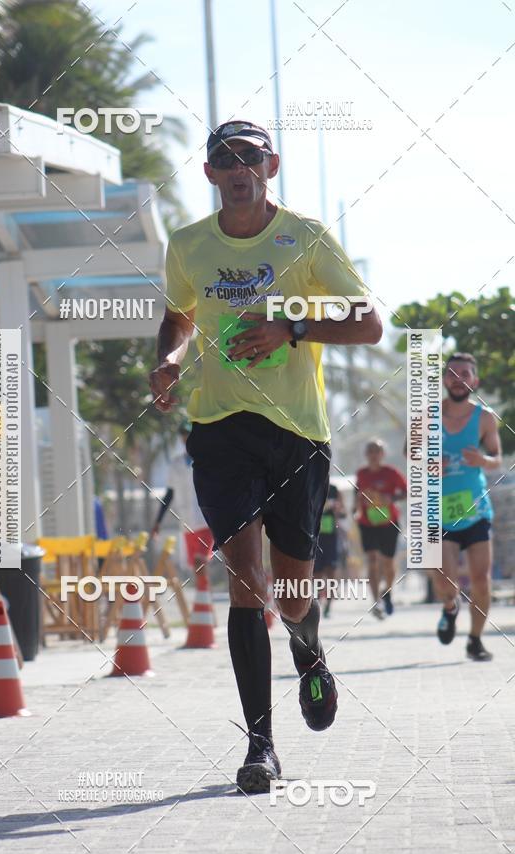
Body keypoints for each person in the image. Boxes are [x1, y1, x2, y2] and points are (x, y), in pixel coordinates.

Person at [149, 119, 382, 794]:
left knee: (293, 588)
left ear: (269, 165)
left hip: (296, 434)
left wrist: (293, 327)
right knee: (244, 580)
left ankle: (308, 657)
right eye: (223, 157)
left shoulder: (304, 237)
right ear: (210, 174)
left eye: (249, 155)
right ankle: (259, 746)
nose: (236, 166)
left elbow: (368, 322)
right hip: (220, 428)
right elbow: (179, 314)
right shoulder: (189, 244)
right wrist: (167, 359)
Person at [434, 352, 501, 661]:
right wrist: (430, 464)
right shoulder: (428, 416)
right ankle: (450, 608)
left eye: (465, 373)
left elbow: (497, 459)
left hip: (475, 510)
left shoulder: (485, 418)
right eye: (452, 373)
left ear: (475, 380)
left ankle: (475, 640)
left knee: (480, 579)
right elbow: (411, 454)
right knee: (445, 581)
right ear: (444, 379)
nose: (458, 378)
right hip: (440, 512)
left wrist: (482, 460)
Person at [151, 422, 214, 575]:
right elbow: (169, 495)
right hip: (187, 524)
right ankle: (203, 596)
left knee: (202, 561)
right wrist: (158, 522)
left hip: (205, 521)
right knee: (195, 566)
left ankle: (204, 596)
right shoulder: (175, 464)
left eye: (189, 434)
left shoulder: (207, 460)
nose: (186, 438)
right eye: (183, 435)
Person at [355, 439, 407, 618]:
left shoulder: (391, 473)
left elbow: (407, 491)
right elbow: (358, 493)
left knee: (388, 562)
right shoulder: (361, 473)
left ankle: (388, 591)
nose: (373, 455)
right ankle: (375, 601)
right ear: (366, 455)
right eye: (370, 451)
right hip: (367, 522)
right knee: (371, 560)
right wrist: (356, 506)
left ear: (382, 454)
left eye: (377, 451)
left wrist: (391, 499)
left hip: (388, 523)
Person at [313, 481, 346, 618]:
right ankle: (317, 603)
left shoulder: (334, 489)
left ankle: (329, 605)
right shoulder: (311, 485)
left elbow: (343, 513)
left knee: (331, 571)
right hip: (315, 536)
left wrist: (338, 508)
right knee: (317, 573)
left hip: (331, 537)